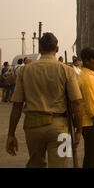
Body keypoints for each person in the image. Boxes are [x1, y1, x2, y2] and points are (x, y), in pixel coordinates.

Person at [6, 32, 83, 168]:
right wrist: (78, 131)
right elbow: (76, 103)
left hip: (33, 127)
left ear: (40, 48)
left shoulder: (25, 71)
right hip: (61, 127)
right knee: (61, 164)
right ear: (57, 49)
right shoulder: (67, 70)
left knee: (35, 163)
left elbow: (17, 105)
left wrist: (11, 134)